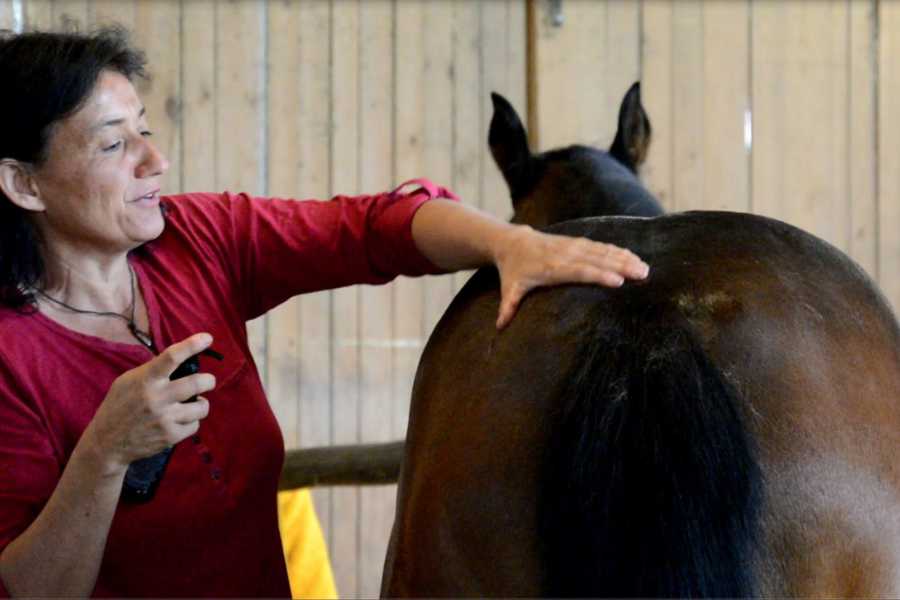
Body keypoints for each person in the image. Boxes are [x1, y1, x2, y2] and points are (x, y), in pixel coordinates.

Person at [0, 27, 649, 597]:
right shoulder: (12, 358)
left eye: (144, 127)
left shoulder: (196, 238)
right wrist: (103, 457)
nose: (154, 159)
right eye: (114, 145)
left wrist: (510, 242)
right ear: (23, 183)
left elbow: (375, 227)